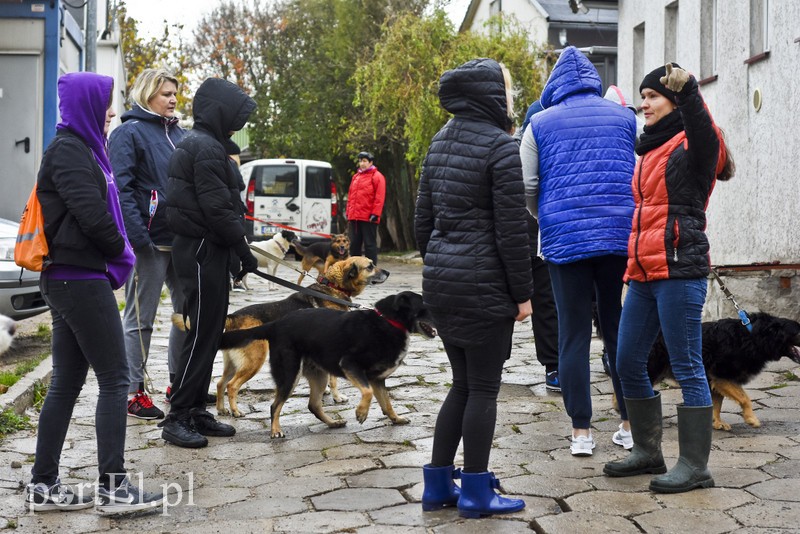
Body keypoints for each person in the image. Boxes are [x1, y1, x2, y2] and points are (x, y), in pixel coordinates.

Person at [26, 71, 165, 512]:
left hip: (75, 276)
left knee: (67, 381)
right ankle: (113, 488)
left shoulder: (85, 148)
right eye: (104, 103)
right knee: (115, 378)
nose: (109, 112)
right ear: (85, 104)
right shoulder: (69, 151)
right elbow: (92, 216)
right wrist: (122, 250)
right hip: (78, 278)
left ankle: (43, 485)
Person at [603, 63, 732, 493]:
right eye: (641, 96)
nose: (644, 103)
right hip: (642, 271)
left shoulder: (692, 147)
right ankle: (647, 451)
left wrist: (691, 91)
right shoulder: (649, 149)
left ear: (673, 101)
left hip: (680, 270)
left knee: (686, 366)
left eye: (652, 96)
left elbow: (706, 135)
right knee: (625, 361)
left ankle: (696, 466)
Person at [416, 58, 533, 519]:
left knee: (461, 384)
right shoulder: (502, 149)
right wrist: (523, 294)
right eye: (507, 87)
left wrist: (445, 262)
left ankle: (438, 485)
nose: (511, 94)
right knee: (484, 388)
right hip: (485, 286)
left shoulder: (438, 142)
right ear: (489, 93)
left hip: (443, 282)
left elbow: (421, 224)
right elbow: (512, 232)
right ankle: (477, 493)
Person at [520, 46, 636, 457]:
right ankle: (628, 423)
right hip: (618, 237)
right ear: (593, 79)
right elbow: (635, 174)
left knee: (572, 335)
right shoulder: (626, 117)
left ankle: (581, 433)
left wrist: (547, 216)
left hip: (564, 240)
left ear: (555, 84)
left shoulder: (539, 123)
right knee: (617, 329)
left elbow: (528, 186)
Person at [158, 77, 258, 449]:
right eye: (233, 117)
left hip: (206, 250)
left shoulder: (204, 144)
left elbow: (220, 206)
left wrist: (234, 254)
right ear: (218, 112)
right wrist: (244, 252)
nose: (236, 126)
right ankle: (179, 415)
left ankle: (197, 409)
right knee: (201, 335)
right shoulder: (204, 148)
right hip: (202, 250)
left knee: (209, 333)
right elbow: (218, 210)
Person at [109, 68, 186, 420]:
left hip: (182, 242)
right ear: (146, 95)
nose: (172, 99)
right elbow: (120, 189)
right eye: (165, 93)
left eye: (174, 93)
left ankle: (178, 384)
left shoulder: (182, 134)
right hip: (150, 243)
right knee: (140, 318)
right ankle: (132, 392)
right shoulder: (129, 132)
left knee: (185, 316)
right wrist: (137, 236)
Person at [516, 100, 560, 393]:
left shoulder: (558, 147)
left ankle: (553, 365)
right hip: (514, 238)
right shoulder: (512, 150)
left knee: (546, 304)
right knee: (506, 303)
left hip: (544, 239)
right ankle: (493, 363)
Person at [346, 151, 385, 264]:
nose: (362, 164)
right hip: (355, 218)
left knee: (370, 245)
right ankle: (355, 268)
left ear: (370, 162)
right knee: (354, 245)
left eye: (364, 161)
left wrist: (375, 214)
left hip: (369, 218)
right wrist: (349, 212)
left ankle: (371, 270)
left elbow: (379, 197)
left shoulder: (377, 176)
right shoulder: (356, 177)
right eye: (360, 161)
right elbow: (351, 196)